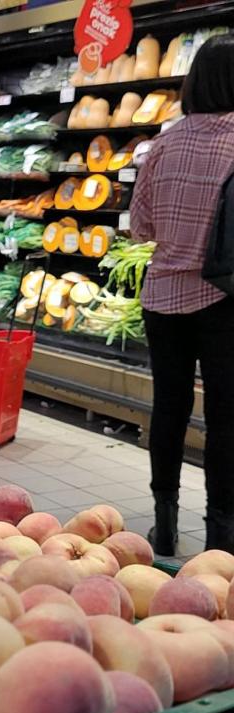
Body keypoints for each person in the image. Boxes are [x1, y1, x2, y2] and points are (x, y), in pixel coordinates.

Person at [130, 33, 234, 555]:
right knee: (226, 416)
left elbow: (140, 226)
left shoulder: (163, 143)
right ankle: (222, 537)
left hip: (164, 296)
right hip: (225, 298)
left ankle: (165, 525)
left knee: (168, 408)